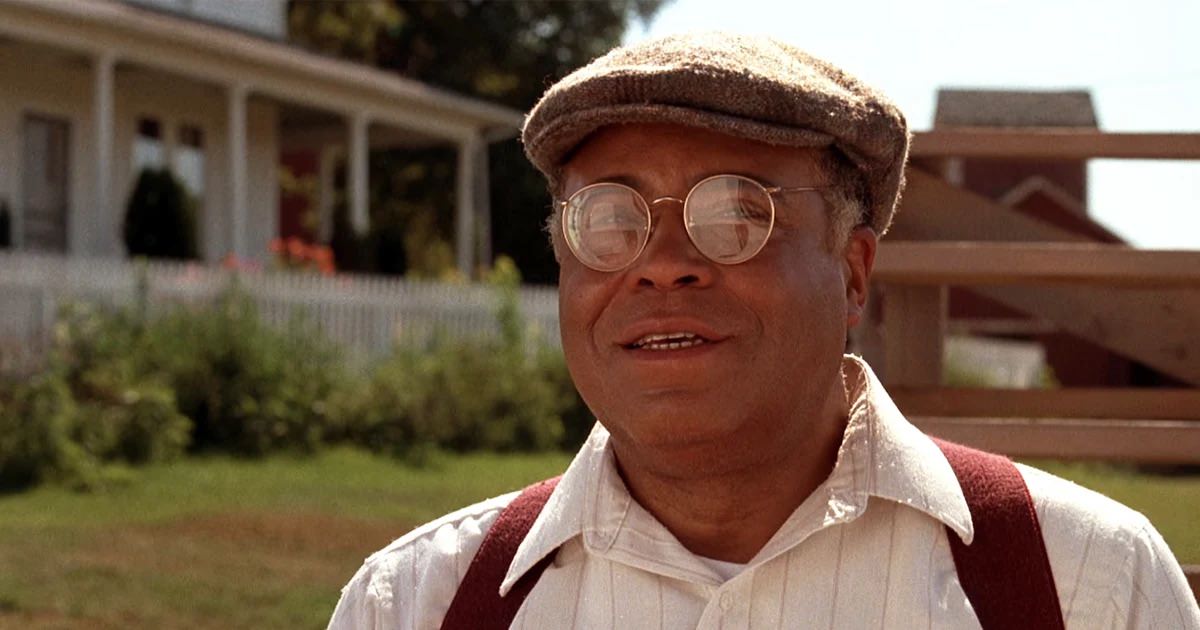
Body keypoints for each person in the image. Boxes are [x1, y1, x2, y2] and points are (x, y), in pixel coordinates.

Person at [328, 32, 1200, 629]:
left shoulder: (1085, 585)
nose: (661, 263)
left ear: (854, 273)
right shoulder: (417, 604)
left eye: (736, 211)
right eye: (608, 217)